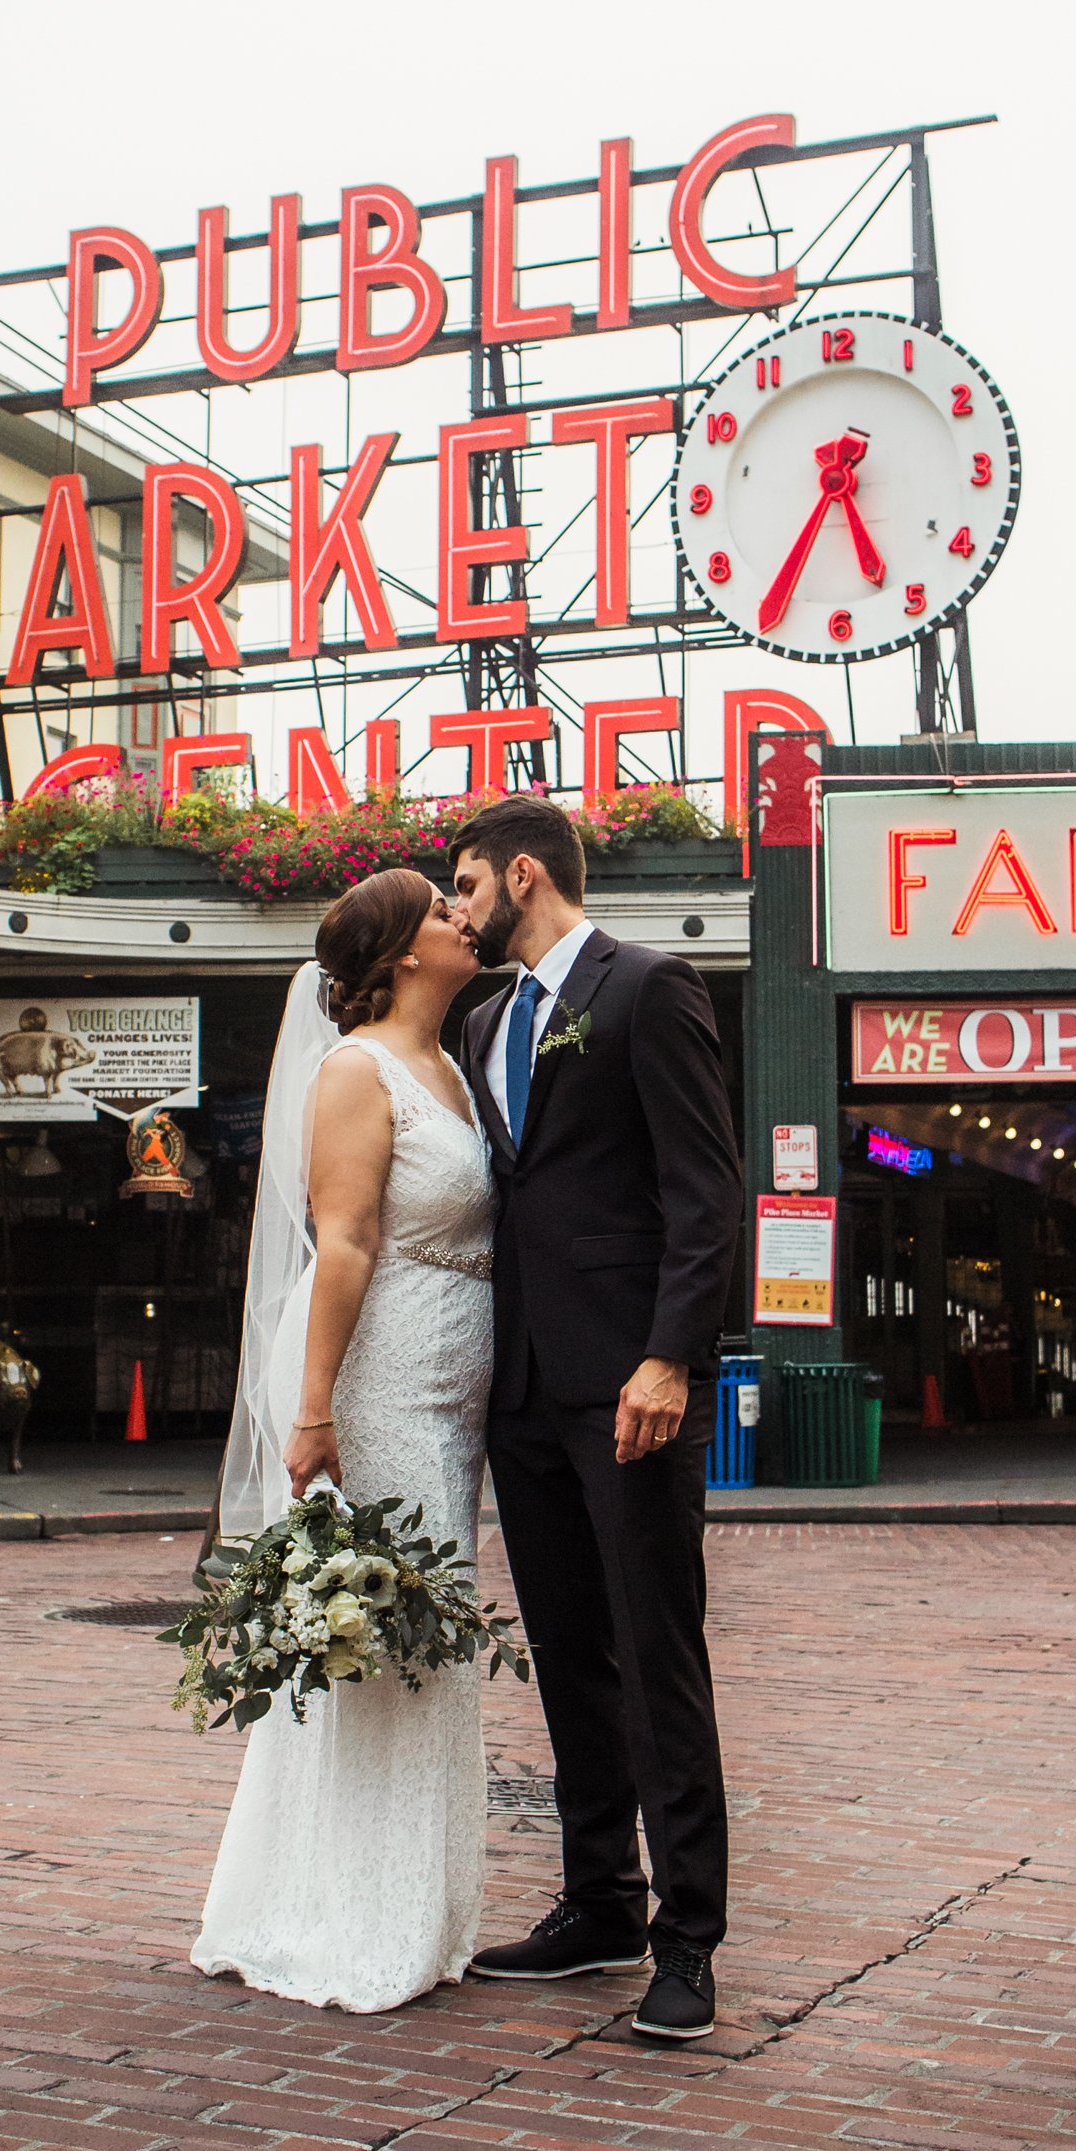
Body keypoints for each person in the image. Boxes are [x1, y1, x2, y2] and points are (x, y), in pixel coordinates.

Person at [451, 795, 741, 2042]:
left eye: (463, 884)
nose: (454, 908)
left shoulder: (644, 987)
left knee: (652, 1649)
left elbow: (702, 1188)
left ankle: (687, 1939)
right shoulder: (478, 1024)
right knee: (568, 1654)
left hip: (627, 1385)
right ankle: (598, 1903)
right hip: (517, 1389)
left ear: (525, 875)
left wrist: (672, 1356)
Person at [191, 869, 495, 2014]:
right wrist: (312, 1409)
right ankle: (359, 1919)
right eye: (439, 908)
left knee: (423, 1635)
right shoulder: (354, 1070)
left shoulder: (449, 1067)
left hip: (445, 1389)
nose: (461, 918)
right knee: (396, 1643)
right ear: (401, 952)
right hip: (373, 1384)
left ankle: (413, 1907)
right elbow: (348, 1240)